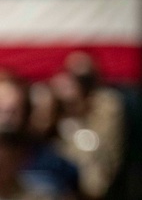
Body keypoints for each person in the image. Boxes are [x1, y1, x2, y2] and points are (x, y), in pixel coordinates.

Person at [49, 53, 121, 199]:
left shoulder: (106, 105)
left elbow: (102, 147)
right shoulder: (50, 109)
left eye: (83, 80)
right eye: (71, 76)